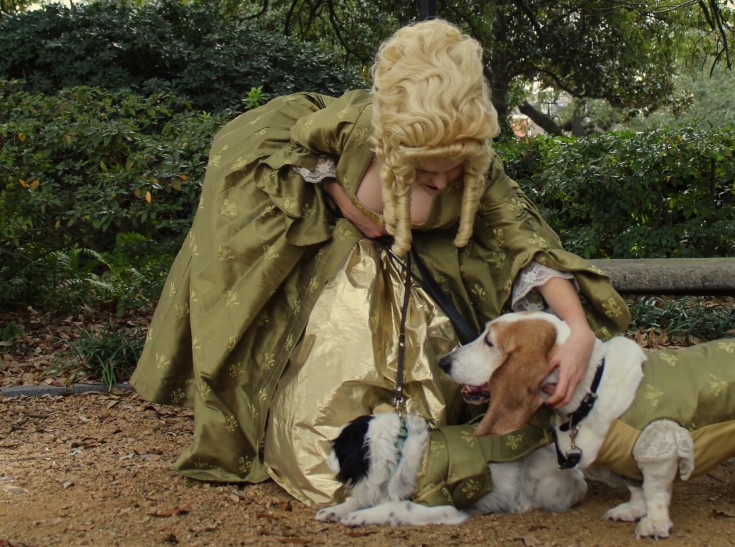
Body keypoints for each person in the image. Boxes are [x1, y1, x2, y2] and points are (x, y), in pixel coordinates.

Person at [130, 19, 630, 505]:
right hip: (336, 292)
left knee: (425, 451)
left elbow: (526, 243)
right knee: (325, 467)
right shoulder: (353, 128)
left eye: (453, 172)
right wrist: (344, 202)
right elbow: (291, 143)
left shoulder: (480, 166)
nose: (441, 184)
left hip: (425, 301)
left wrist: (578, 327)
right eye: (425, 173)